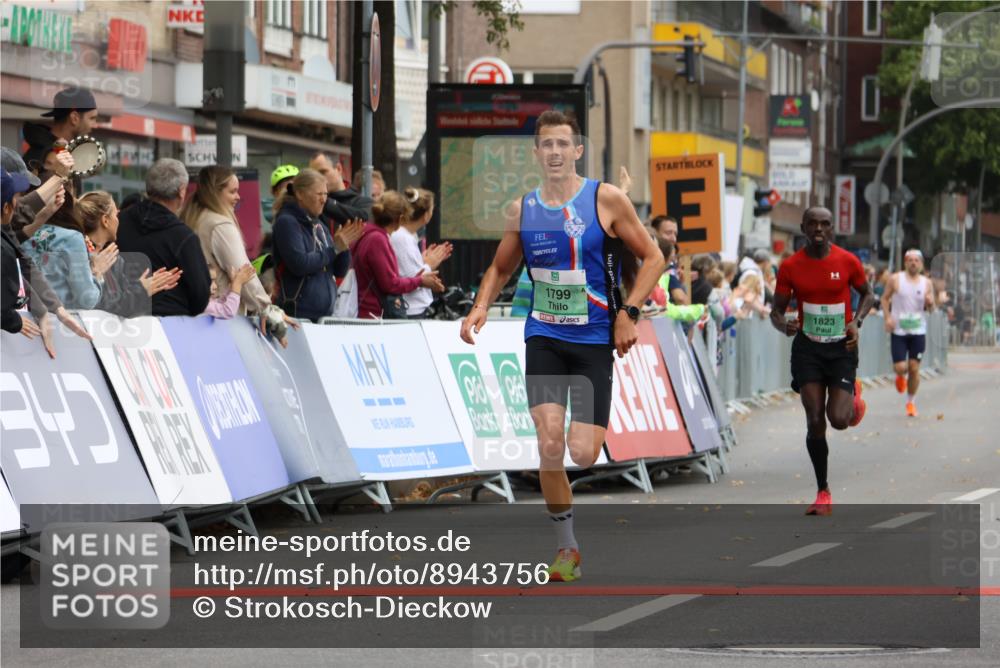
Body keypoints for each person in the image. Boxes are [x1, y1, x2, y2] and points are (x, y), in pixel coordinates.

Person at [459, 110, 664, 582]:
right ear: (536, 153)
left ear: (576, 151)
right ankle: (567, 548)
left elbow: (653, 257)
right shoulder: (522, 210)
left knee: (584, 452)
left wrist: (628, 313)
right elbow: (501, 268)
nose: (553, 152)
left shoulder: (605, 200)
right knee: (549, 443)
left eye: (562, 145)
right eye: (545, 145)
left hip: (593, 338)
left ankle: (589, 439)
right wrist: (481, 306)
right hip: (545, 335)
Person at [771, 207, 874, 517]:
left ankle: (852, 393)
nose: (818, 228)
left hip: (841, 348)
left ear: (832, 229)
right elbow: (776, 311)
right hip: (808, 351)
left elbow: (868, 294)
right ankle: (823, 490)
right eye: (812, 223)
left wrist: (856, 321)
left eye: (825, 224)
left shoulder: (847, 261)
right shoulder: (790, 266)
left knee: (839, 420)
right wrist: (783, 324)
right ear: (803, 227)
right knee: (814, 420)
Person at [181, 165, 295, 342]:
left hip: (195, 314)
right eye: (232, 191)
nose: (238, 197)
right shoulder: (220, 225)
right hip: (222, 318)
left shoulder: (191, 218)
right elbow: (244, 272)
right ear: (215, 192)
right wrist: (268, 309)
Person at [1, 169, 91, 356]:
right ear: (6, 208)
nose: (20, 202)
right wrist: (12, 320)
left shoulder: (5, 234)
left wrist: (48, 310)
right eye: (16, 197)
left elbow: (24, 264)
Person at [116, 158, 212, 316]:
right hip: (170, 323)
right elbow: (200, 296)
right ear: (182, 191)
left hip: (116, 321)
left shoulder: (119, 222)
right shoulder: (183, 237)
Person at [272, 168, 363, 322]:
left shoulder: (319, 224)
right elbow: (299, 264)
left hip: (322, 317)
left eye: (326, 194)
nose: (324, 200)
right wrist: (334, 249)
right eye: (319, 194)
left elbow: (339, 271)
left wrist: (343, 247)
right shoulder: (287, 222)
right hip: (298, 317)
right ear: (300, 194)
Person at [77, 191, 181, 317]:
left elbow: (125, 307)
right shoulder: (78, 255)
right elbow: (106, 306)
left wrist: (150, 288)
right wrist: (141, 290)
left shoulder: (114, 257)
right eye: (116, 214)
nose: (119, 219)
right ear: (105, 221)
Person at [20, 186, 116, 310]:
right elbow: (87, 299)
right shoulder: (72, 238)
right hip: (61, 322)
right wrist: (97, 273)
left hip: (25, 318)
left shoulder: (22, 234)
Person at [352, 190, 444, 319]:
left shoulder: (368, 233)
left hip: (367, 310)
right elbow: (390, 284)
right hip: (373, 313)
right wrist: (420, 280)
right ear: (400, 219)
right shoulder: (378, 239)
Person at [881, 249, 935, 417]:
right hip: (899, 331)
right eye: (910, 260)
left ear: (921, 264)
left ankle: (911, 402)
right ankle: (899, 376)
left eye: (916, 260)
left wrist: (931, 303)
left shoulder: (926, 283)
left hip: (918, 331)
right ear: (905, 262)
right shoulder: (896, 279)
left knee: (913, 368)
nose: (913, 263)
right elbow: (884, 298)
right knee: (900, 367)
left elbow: (932, 309)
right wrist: (888, 318)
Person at [390, 187, 452, 318]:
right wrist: (429, 264)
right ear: (426, 215)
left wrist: (423, 261)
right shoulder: (402, 237)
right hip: (411, 309)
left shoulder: (408, 236)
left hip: (415, 307)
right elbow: (412, 278)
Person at [310, 152, 373, 226]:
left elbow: (365, 218)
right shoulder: (312, 204)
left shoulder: (362, 202)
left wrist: (325, 202)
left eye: (323, 172)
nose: (318, 178)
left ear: (339, 169)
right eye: (314, 175)